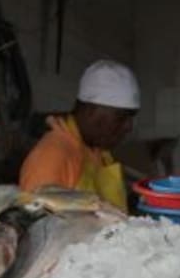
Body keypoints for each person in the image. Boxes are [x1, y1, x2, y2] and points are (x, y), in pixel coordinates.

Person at [18, 59, 139, 211]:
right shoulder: (52, 155)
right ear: (90, 111)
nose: (128, 127)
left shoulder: (98, 152)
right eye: (121, 118)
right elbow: (37, 226)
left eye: (131, 118)